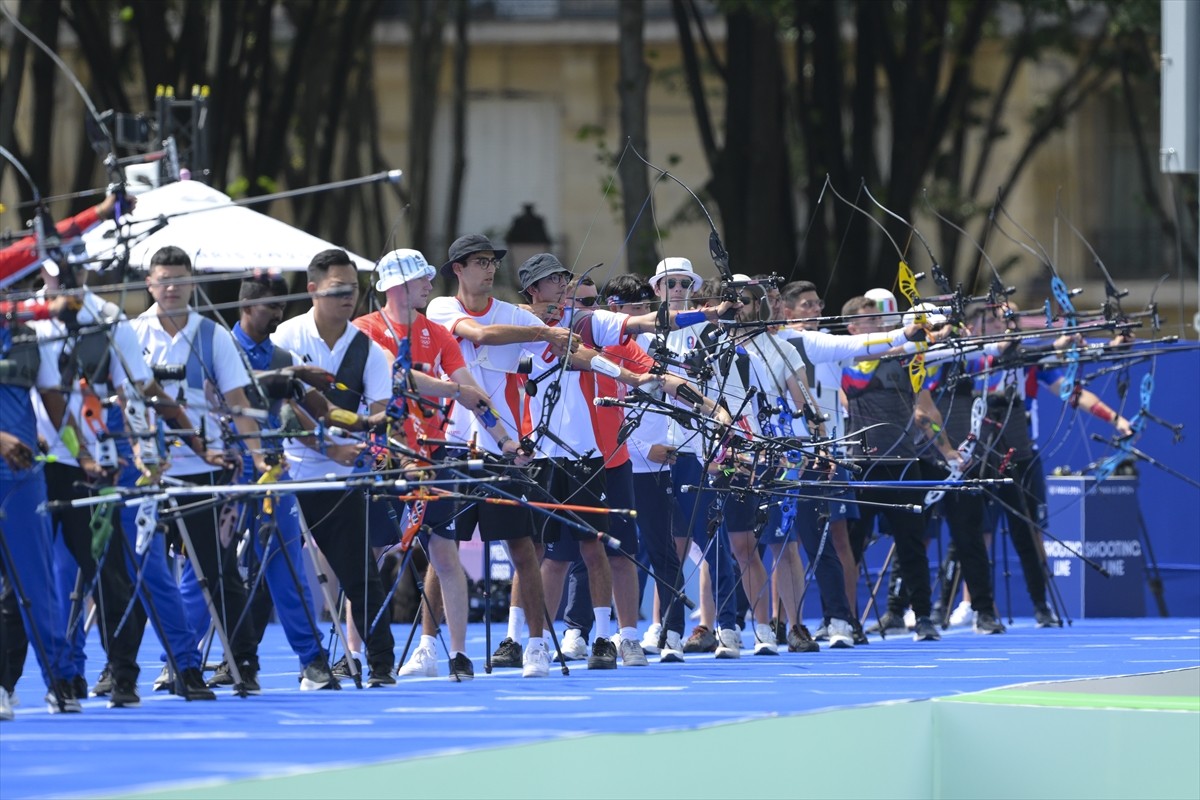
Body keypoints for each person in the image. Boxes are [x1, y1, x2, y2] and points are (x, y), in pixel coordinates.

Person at [354, 248, 528, 680]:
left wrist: (506, 440)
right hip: (383, 457)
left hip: (433, 456)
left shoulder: (439, 334)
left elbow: (472, 392)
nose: (430, 286)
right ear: (397, 286)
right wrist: (453, 389)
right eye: (421, 279)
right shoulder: (366, 330)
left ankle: (457, 653)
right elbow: (400, 378)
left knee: (446, 555)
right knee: (370, 557)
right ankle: (356, 654)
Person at [132, 246, 270, 693]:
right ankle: (122, 669)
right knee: (134, 573)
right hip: (146, 472)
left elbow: (238, 402)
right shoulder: (132, 334)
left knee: (214, 569)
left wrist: (257, 454)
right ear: (149, 284)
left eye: (179, 278)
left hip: (203, 469)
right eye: (162, 279)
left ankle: (243, 661)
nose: (171, 287)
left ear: (192, 283)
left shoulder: (213, 335)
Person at [271, 248, 398, 686]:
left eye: (355, 290)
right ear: (312, 289)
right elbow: (282, 408)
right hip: (285, 473)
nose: (349, 297)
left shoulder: (370, 350)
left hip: (343, 478)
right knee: (273, 570)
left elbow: (381, 414)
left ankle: (381, 662)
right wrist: (328, 447)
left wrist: (365, 446)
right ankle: (247, 660)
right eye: (338, 289)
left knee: (360, 575)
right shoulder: (285, 338)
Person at [228, 274, 339, 689]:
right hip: (228, 471)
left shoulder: (281, 356)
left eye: (281, 307)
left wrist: (368, 422)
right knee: (208, 568)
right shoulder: (221, 349)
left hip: (275, 473)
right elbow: (223, 395)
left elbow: (320, 409)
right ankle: (187, 659)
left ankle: (312, 660)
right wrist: (293, 374)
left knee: (289, 565)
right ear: (247, 305)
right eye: (271, 306)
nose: (278, 314)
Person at [839, 293, 960, 642]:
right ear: (852, 328)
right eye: (870, 321)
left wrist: (947, 449)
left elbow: (925, 412)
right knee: (852, 545)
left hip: (902, 463)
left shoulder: (905, 359)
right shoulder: (839, 359)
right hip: (859, 464)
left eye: (880, 320)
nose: (879, 324)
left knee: (911, 543)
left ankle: (922, 617)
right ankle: (849, 622)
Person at [0, 299, 86, 714]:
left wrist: (84, 454)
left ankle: (61, 679)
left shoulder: (29, 337)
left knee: (38, 586)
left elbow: (56, 406)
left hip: (22, 481)